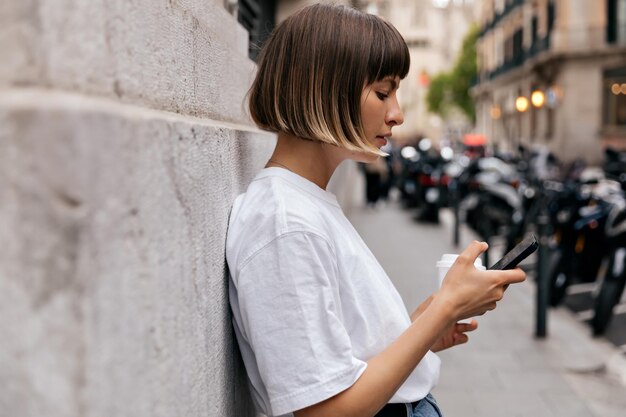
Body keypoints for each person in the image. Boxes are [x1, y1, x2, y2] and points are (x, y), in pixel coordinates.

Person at [226, 5, 526, 417]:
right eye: (383, 93)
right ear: (324, 88)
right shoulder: (286, 225)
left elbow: (340, 353)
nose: (397, 113)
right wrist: (445, 308)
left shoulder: (305, 203)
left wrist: (424, 327)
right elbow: (325, 411)